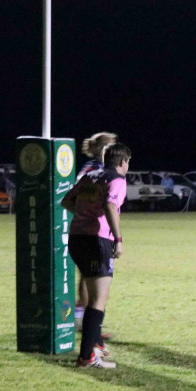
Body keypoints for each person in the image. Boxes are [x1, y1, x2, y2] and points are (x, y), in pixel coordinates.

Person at [61, 142, 132, 369]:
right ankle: (86, 357)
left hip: (76, 238)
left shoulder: (90, 177)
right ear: (123, 162)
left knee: (92, 296)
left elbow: (66, 200)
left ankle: (95, 346)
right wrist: (118, 240)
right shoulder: (117, 180)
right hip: (97, 240)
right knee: (99, 300)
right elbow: (111, 206)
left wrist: (84, 216)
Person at [74, 132, 118, 334]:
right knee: (92, 276)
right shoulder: (93, 169)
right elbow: (76, 194)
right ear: (101, 148)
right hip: (92, 231)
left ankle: (84, 319)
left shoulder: (99, 168)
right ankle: (88, 324)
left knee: (87, 275)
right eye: (110, 145)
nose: (113, 149)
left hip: (92, 229)